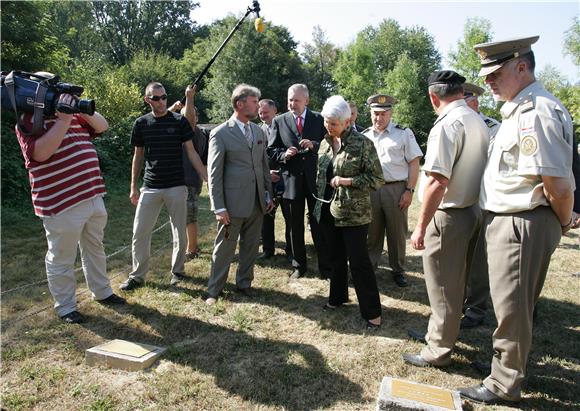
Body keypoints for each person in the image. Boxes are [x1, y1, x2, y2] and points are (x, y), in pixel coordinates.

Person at [457, 36, 574, 406]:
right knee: (510, 305)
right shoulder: (517, 109)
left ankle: (504, 382)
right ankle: (505, 365)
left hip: (522, 222)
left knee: (512, 308)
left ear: (521, 66)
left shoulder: (535, 112)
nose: (488, 81)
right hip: (512, 220)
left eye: (496, 73)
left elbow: (557, 183)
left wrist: (562, 218)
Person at [15, 74, 125, 324]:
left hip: (91, 194)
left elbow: (102, 125)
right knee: (61, 256)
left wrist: (76, 106)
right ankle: (66, 307)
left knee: (95, 248)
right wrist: (63, 120)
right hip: (61, 202)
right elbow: (40, 154)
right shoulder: (29, 121)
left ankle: (102, 292)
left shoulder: (73, 115)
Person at [403, 70, 489, 368]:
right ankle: (437, 334)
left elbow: (438, 181)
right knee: (455, 284)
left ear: (433, 96)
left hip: (450, 214)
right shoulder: (476, 118)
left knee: (442, 287)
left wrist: (420, 226)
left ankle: (438, 349)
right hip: (472, 209)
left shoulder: (447, 124)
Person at [120, 82, 207, 291]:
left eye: (164, 97)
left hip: (177, 185)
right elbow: (137, 156)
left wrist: (205, 176)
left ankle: (177, 272)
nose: (161, 101)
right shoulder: (141, 124)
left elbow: (192, 151)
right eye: (156, 98)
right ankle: (137, 276)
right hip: (150, 187)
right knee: (139, 232)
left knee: (179, 231)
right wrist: (133, 186)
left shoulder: (179, 122)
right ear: (147, 100)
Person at [313, 95, 384, 328]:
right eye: (326, 122)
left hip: (354, 214)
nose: (329, 127)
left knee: (359, 263)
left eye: (333, 123)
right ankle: (337, 298)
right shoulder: (324, 142)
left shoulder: (363, 144)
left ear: (347, 122)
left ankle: (372, 313)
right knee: (335, 258)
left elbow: (376, 179)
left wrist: (347, 181)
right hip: (327, 209)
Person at [204, 84, 274, 305]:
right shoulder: (221, 133)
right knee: (224, 248)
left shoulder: (258, 131)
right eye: (254, 102)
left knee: (251, 246)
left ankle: (244, 284)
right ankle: (214, 290)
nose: (258, 106)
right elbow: (214, 173)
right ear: (240, 104)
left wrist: (267, 195)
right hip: (231, 204)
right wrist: (219, 207)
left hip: (256, 202)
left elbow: (263, 166)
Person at [267, 84, 332, 279]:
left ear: (306, 101)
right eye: (290, 100)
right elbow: (271, 150)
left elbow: (331, 144)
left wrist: (315, 145)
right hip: (291, 181)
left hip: (315, 180)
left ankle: (325, 267)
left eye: (296, 100)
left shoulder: (319, 119)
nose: (292, 104)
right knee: (294, 226)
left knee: (319, 223)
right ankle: (299, 266)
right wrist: (284, 154)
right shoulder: (279, 121)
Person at [363, 94, 423, 287]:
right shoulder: (365, 136)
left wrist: (409, 190)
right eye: (375, 114)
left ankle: (398, 270)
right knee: (372, 232)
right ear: (370, 113)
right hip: (372, 189)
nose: (379, 118)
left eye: (383, 114)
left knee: (397, 233)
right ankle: (370, 266)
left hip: (395, 189)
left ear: (390, 113)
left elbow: (414, 163)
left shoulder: (403, 133)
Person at [460, 82, 501, 329]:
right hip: (458, 202)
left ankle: (476, 308)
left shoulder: (493, 129)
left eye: (461, 102)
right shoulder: (454, 125)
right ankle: (460, 300)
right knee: (458, 256)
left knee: (478, 259)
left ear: (474, 102)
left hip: (482, 202)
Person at [170, 86, 210, 260]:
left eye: (189, 115)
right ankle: (190, 247)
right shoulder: (182, 131)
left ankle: (192, 249)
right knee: (183, 217)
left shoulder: (195, 132)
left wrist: (189, 98)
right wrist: (172, 110)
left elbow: (188, 119)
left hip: (189, 181)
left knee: (189, 217)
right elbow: (160, 120)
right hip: (180, 181)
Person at [257, 99, 291, 261]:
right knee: (267, 215)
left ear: (275, 111)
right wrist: (267, 173)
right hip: (268, 179)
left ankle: (291, 250)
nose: (263, 116)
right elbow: (257, 157)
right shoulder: (257, 131)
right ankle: (268, 249)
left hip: (286, 178)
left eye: (265, 112)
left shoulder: (287, 126)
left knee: (289, 216)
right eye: (260, 113)